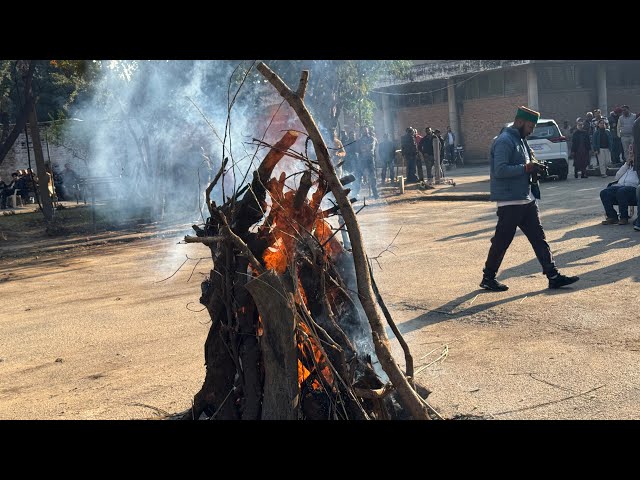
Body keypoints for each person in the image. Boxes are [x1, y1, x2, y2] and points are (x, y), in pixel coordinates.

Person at [480, 106, 579, 291]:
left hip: (526, 199)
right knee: (502, 242)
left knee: (539, 239)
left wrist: (536, 167)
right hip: (510, 201)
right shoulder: (504, 141)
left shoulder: (520, 139)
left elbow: (526, 164)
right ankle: (488, 277)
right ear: (519, 122)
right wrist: (526, 168)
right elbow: (500, 170)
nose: (532, 130)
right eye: (530, 126)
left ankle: (553, 276)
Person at [599, 156, 638, 225]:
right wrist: (626, 164)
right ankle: (612, 216)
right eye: (630, 156)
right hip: (620, 185)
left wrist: (637, 165)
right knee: (604, 192)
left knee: (622, 191)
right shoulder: (627, 166)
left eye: (633, 156)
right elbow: (617, 176)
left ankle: (624, 217)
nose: (632, 157)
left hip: (633, 188)